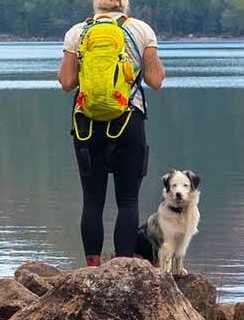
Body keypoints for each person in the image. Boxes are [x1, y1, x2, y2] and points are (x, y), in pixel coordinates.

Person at [57, 0, 166, 267]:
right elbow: (155, 81)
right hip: (128, 119)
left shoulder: (77, 32)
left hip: (87, 124)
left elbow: (67, 82)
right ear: (124, 4)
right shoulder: (141, 30)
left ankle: (92, 269)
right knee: (127, 200)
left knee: (92, 201)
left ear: (97, 4)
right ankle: (124, 268)